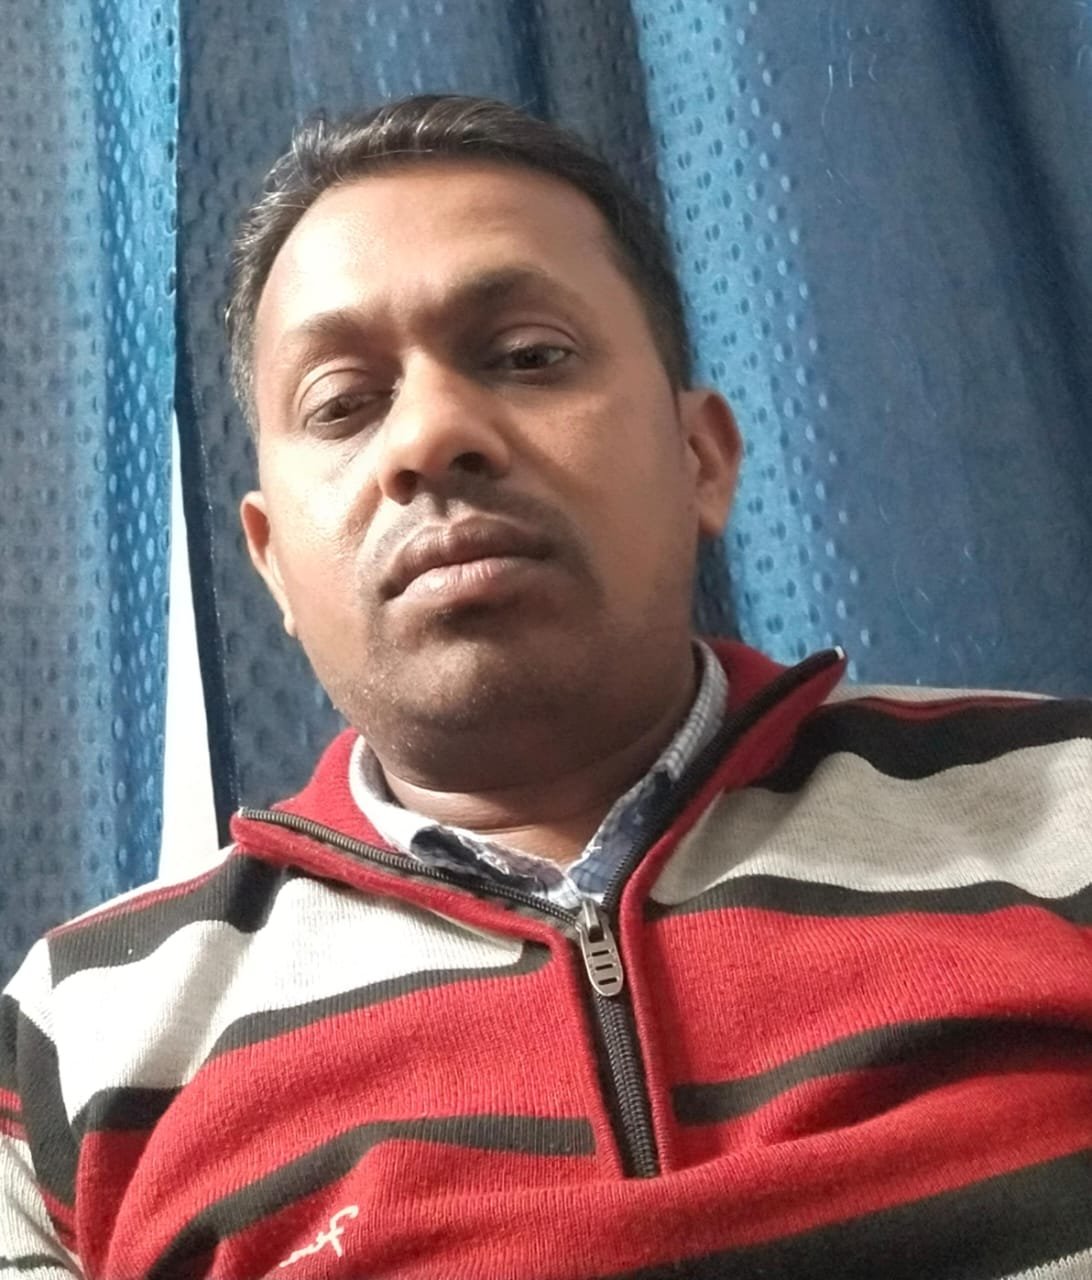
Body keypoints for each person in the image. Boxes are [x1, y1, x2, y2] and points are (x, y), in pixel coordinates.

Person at [1, 94, 1091, 1280]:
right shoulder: (78, 1028)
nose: (431, 435)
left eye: (528, 356)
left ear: (701, 458)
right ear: (269, 563)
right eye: (343, 403)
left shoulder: (1067, 808)